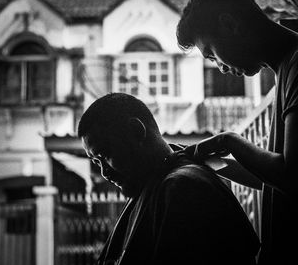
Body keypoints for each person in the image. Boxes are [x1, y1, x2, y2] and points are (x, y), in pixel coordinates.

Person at [176, 0, 298, 264]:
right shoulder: (292, 68)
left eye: (212, 54)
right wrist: (209, 162)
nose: (221, 68)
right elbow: (271, 178)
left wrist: (230, 140)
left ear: (229, 24)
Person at [78, 93, 260, 265]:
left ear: (136, 131)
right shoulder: (153, 186)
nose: (104, 172)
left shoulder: (184, 188)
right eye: (96, 161)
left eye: (105, 154)